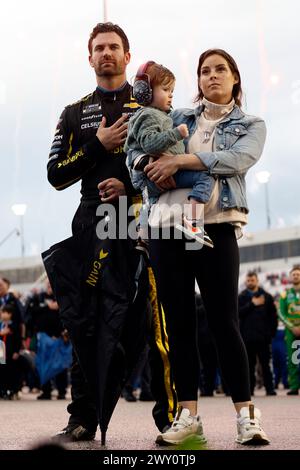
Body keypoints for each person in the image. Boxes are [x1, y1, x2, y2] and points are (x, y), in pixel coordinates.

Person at [47, 22, 176, 441]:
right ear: (89, 57)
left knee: (154, 321)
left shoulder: (151, 104)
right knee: (85, 323)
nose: (106, 53)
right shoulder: (73, 112)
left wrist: (129, 183)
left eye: (113, 47)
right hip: (92, 222)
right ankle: (81, 417)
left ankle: (171, 420)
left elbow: (175, 160)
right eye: (99, 47)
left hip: (142, 217)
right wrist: (97, 147)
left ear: (126, 54)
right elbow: (55, 176)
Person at [136, 48, 270, 445]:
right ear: (197, 80)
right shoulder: (175, 118)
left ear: (235, 78)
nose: (212, 76)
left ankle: (246, 416)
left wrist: (179, 163)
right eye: (204, 71)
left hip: (216, 227)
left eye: (220, 70)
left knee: (224, 321)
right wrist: (147, 167)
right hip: (166, 228)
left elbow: (237, 159)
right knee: (178, 326)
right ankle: (188, 417)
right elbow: (138, 151)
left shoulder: (252, 123)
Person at [125, 61, 213, 247]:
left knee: (151, 202)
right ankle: (193, 221)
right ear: (145, 92)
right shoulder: (149, 115)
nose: (171, 94)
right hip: (161, 171)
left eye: (172, 90)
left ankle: (143, 237)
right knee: (205, 177)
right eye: (166, 89)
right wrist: (176, 134)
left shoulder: (156, 114)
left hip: (152, 176)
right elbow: (150, 143)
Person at [238, 271, 278, 396]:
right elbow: (238, 313)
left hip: (263, 338)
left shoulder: (267, 296)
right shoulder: (241, 297)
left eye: (252, 280)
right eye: (248, 280)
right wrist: (252, 304)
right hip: (247, 338)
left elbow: (273, 317)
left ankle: (270, 389)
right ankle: (249, 390)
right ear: (246, 282)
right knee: (249, 366)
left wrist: (271, 334)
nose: (250, 282)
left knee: (266, 365)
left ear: (257, 281)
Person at [279, 266, 300, 395]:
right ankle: (294, 387)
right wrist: (292, 327)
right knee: (293, 359)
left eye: (298, 274)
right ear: (290, 277)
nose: (296, 276)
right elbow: (281, 313)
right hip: (291, 331)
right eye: (294, 274)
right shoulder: (285, 294)